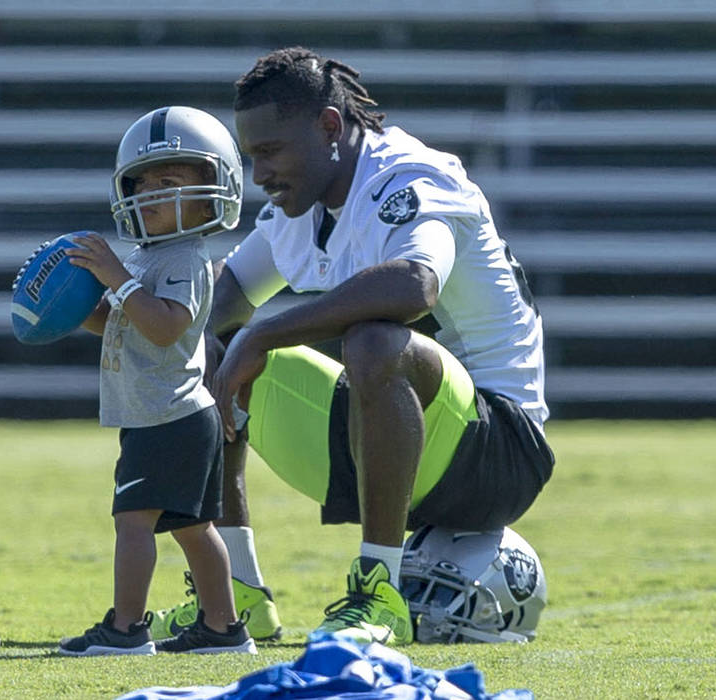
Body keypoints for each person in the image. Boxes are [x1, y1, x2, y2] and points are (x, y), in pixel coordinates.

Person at [157, 46, 554, 647]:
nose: (259, 173)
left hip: (498, 450)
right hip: (389, 445)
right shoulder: (301, 199)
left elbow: (415, 285)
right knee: (207, 352)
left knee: (375, 340)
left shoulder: (410, 176)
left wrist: (265, 333)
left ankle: (377, 592)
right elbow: (225, 298)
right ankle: (233, 598)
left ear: (330, 127)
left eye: (270, 151)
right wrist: (128, 311)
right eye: (251, 156)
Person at [56, 106, 254, 656]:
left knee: (133, 523)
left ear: (213, 189)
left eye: (169, 183)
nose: (150, 195)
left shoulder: (186, 258)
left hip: (168, 415)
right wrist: (76, 307)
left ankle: (125, 629)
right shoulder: (148, 258)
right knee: (194, 528)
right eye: (143, 184)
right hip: (167, 413)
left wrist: (117, 279)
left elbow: (166, 327)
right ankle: (223, 628)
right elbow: (127, 322)